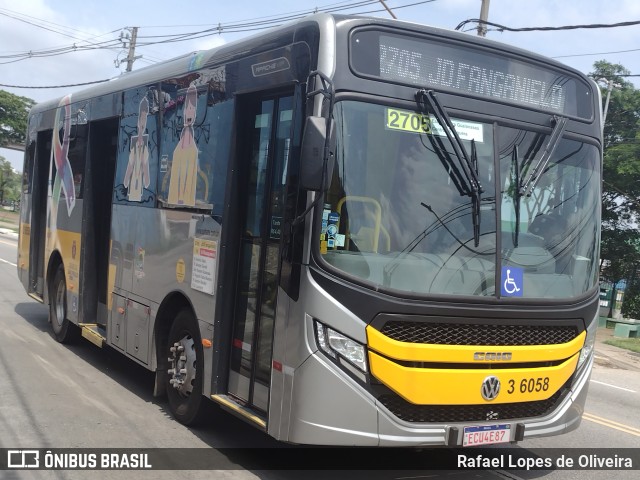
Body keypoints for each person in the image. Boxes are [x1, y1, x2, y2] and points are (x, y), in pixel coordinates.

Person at [168, 85, 199, 206]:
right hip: (175, 197)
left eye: (192, 108)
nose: (189, 111)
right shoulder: (181, 139)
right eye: (188, 108)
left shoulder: (191, 142)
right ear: (184, 110)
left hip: (185, 199)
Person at [124, 97, 151, 202]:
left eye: (145, 119)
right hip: (133, 178)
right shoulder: (135, 142)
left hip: (139, 179)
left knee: (136, 194)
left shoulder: (144, 143)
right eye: (141, 119)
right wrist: (126, 180)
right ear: (138, 121)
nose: (143, 122)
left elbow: (145, 164)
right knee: (133, 194)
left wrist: (147, 181)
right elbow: (130, 164)